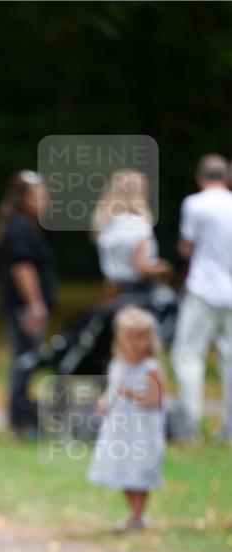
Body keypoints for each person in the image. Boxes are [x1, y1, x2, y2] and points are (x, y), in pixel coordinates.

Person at [171, 154, 232, 441]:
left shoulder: (195, 204)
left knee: (187, 355)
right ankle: (229, 429)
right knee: (229, 359)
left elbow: (187, 247)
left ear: (200, 177)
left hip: (204, 287)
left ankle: (189, 428)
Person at [0, 171, 56, 436]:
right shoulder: (20, 227)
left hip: (23, 308)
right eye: (38, 195)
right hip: (24, 309)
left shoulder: (24, 225)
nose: (44, 200)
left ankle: (20, 417)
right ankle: (19, 420)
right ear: (23, 198)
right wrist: (35, 304)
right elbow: (22, 268)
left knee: (25, 359)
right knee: (25, 360)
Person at [88, 306, 165, 531]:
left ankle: (137, 514)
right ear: (120, 339)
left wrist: (133, 395)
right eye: (130, 337)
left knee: (139, 470)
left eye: (141, 337)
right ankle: (134, 514)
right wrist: (103, 402)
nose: (135, 343)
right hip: (120, 430)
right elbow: (112, 390)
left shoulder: (150, 368)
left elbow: (156, 400)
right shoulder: (117, 365)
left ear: (149, 340)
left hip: (142, 430)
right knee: (123, 471)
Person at [93, 170, 171, 296]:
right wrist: (164, 269)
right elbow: (141, 268)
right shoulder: (138, 225)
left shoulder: (105, 224)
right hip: (138, 293)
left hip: (112, 291)